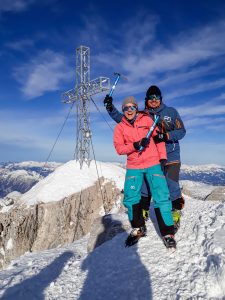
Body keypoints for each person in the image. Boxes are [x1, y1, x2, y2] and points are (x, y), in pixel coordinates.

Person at [104, 85, 186, 232]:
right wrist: (110, 108)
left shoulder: (171, 112)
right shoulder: (143, 115)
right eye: (150, 98)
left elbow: (181, 131)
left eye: (157, 97)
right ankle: (143, 210)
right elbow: (123, 120)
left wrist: (166, 136)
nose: (154, 100)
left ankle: (174, 212)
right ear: (146, 100)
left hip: (171, 156)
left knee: (171, 183)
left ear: (161, 99)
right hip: (151, 156)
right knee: (145, 185)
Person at [113, 96, 175, 248]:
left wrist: (162, 158)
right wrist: (136, 144)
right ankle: (138, 227)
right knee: (131, 197)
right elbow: (120, 149)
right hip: (134, 165)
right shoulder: (119, 128)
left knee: (161, 195)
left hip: (152, 162)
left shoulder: (147, 121)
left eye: (132, 107)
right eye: (126, 108)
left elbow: (159, 140)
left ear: (136, 108)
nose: (129, 110)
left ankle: (168, 233)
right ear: (123, 110)